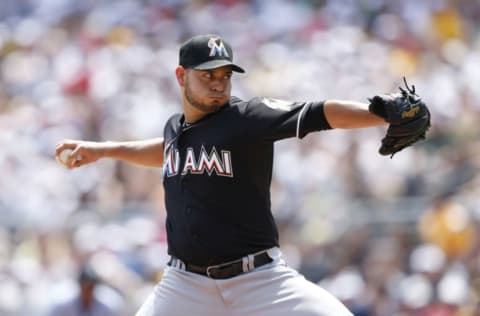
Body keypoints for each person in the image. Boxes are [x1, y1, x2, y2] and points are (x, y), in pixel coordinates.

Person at [55, 34, 390, 316]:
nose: (218, 85)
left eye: (225, 76)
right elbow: (168, 150)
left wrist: (381, 112)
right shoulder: (175, 128)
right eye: (207, 76)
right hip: (184, 285)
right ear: (181, 76)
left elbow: (318, 113)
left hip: (257, 279)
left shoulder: (246, 118)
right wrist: (104, 150)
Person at [47, 264, 120, 316]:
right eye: (84, 287)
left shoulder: (107, 306)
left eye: (90, 287)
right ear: (80, 286)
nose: (87, 291)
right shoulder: (63, 305)